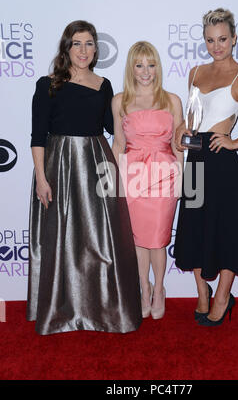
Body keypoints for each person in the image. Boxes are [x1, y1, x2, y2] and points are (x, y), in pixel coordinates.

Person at [27, 20, 142, 335]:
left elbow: (113, 129)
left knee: (100, 240)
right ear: (67, 47)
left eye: (89, 43)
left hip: (97, 161)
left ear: (96, 48)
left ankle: (100, 310)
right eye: (76, 43)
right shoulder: (47, 84)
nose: (83, 50)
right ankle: (61, 312)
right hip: (59, 166)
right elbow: (38, 136)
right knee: (61, 240)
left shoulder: (104, 85)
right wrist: (41, 177)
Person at [174, 8, 238, 326]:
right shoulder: (194, 73)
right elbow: (191, 118)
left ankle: (222, 297)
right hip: (196, 160)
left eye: (222, 39)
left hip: (223, 165)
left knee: (226, 231)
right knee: (193, 229)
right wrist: (181, 129)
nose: (216, 46)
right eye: (209, 40)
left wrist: (235, 141)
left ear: (233, 38)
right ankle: (202, 294)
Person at [112, 41, 183, 319]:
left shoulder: (172, 100)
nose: (145, 71)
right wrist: (114, 184)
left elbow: (178, 145)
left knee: (159, 239)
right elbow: (118, 144)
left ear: (158, 67)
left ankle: (160, 289)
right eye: (139, 65)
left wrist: (182, 179)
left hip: (165, 175)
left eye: (151, 65)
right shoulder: (120, 100)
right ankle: (144, 288)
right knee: (139, 240)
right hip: (132, 177)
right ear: (131, 67)